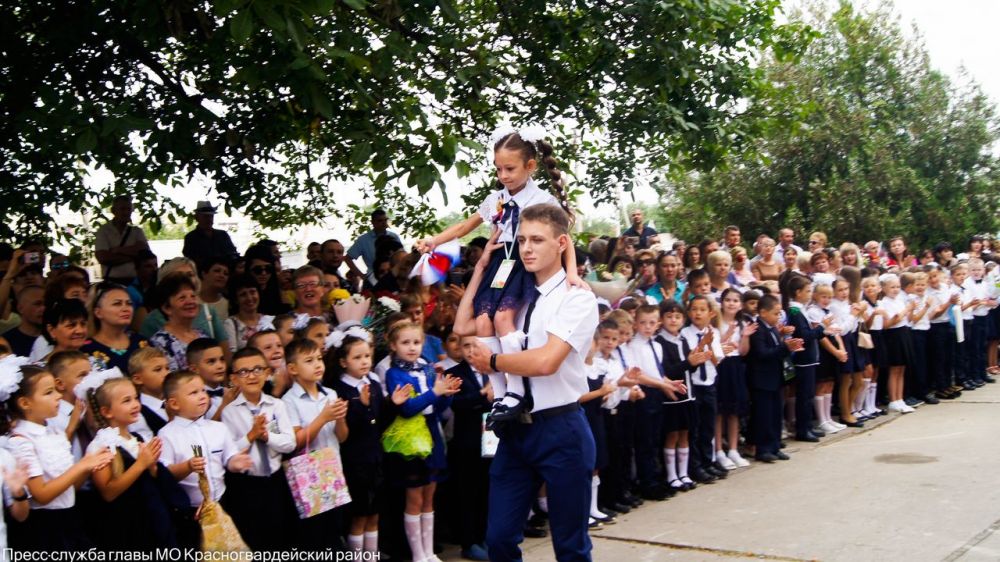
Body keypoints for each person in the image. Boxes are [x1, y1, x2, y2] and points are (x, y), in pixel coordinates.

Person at [462, 204, 599, 562]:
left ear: (561, 243)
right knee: (500, 539)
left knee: (570, 546)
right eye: (522, 240)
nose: (526, 248)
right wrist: (479, 270)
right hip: (514, 432)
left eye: (537, 240)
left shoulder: (578, 297)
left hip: (561, 428)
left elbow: (546, 361)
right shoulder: (514, 298)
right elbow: (464, 327)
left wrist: (491, 361)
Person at [419, 128, 583, 424]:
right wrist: (434, 241)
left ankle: (516, 389)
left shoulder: (542, 199)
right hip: (499, 261)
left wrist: (571, 272)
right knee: (482, 321)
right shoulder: (496, 198)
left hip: (520, 262)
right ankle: (498, 391)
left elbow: (565, 239)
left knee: (502, 319)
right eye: (498, 169)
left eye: (510, 168)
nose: (503, 175)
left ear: (530, 166)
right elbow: (463, 227)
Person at [2, 360, 114, 551]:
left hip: (70, 517)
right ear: (25, 403)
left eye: (55, 389)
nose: (58, 396)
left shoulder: (54, 433)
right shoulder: (21, 441)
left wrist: (91, 462)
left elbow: (69, 487)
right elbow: (41, 495)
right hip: (45, 527)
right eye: (48, 392)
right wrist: (82, 465)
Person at [383, 321, 461, 562]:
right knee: (414, 497)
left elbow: (436, 408)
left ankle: (429, 552)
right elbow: (407, 409)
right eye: (405, 342)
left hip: (431, 433)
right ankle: (418, 554)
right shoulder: (393, 373)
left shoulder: (427, 368)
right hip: (411, 438)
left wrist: (445, 394)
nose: (412, 347)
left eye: (416, 342)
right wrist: (434, 392)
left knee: (430, 494)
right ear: (393, 345)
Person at [85, 377, 190, 549]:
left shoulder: (138, 439)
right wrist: (141, 464)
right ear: (107, 411)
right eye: (127, 401)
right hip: (128, 526)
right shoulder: (102, 444)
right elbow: (108, 492)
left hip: (153, 518)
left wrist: (153, 468)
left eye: (135, 398)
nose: (135, 404)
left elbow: (152, 479)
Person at [158, 370, 252, 547]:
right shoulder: (166, 435)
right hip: (191, 511)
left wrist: (235, 462)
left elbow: (229, 457)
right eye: (193, 393)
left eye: (203, 391)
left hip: (222, 502)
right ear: (174, 403)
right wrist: (187, 466)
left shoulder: (218, 428)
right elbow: (165, 474)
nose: (202, 396)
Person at [219, 348, 298, 551]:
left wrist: (266, 436)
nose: (252, 375)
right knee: (254, 536)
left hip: (276, 479)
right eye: (243, 372)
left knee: (283, 534)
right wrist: (251, 436)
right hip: (247, 484)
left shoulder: (276, 405)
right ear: (234, 379)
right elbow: (229, 453)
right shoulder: (229, 412)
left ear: (267, 373)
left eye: (257, 369)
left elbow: (289, 443)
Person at [281, 338, 349, 549]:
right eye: (309, 360)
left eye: (319, 358)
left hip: (333, 469)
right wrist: (323, 417)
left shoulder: (330, 393)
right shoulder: (288, 401)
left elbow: (342, 437)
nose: (318, 364)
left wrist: (339, 418)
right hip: (309, 474)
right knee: (315, 536)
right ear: (292, 368)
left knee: (335, 529)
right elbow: (295, 442)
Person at [747, 295, 803, 462]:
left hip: (775, 378)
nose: (778, 317)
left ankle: (775, 445)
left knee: (775, 413)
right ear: (763, 312)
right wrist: (784, 348)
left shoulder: (772, 328)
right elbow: (762, 354)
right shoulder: (757, 330)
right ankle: (763, 449)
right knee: (764, 415)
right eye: (775, 313)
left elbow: (777, 350)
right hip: (762, 380)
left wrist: (788, 346)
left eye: (779, 313)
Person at [680, 296, 726, 482]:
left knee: (708, 426)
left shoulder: (713, 332)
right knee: (695, 428)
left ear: (711, 313)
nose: (698, 313)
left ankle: (709, 461)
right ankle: (696, 466)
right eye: (694, 309)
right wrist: (702, 343)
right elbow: (691, 359)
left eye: (702, 310)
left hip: (709, 385)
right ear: (689, 313)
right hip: (694, 385)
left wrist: (708, 343)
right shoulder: (685, 334)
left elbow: (717, 361)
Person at [714, 288, 755, 469]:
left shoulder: (743, 322)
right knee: (719, 411)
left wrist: (744, 335)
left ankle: (733, 449)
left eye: (735, 300)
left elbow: (744, 351)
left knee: (734, 411)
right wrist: (728, 334)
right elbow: (715, 346)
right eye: (728, 300)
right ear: (722, 302)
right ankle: (718, 451)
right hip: (719, 366)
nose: (731, 303)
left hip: (736, 366)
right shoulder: (716, 321)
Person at [81, 283, 148, 372]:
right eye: (117, 304)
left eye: (129, 303)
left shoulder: (142, 343)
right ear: (98, 312)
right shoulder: (86, 349)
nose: (126, 309)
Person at [148, 274, 209, 371]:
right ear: (167, 308)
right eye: (182, 298)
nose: (190, 301)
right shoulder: (159, 343)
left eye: (193, 296)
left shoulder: (203, 336)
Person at [94, 195, 150, 285]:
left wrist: (118, 250)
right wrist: (132, 256)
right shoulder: (103, 231)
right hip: (111, 282)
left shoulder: (137, 231)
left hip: (135, 282)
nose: (126, 212)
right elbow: (103, 258)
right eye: (123, 209)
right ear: (113, 211)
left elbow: (144, 253)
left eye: (129, 209)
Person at [346, 209, 403, 286]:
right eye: (380, 220)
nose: (384, 223)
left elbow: (402, 257)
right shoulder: (363, 240)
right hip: (372, 279)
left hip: (394, 276)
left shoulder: (394, 236)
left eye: (385, 220)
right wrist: (361, 275)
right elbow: (347, 258)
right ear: (372, 222)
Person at [127, 347, 171, 440]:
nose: (166, 373)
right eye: (158, 369)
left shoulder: (178, 399)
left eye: (167, 368)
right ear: (138, 379)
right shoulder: (138, 415)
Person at [224, 275, 275, 353]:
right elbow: (231, 355)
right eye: (243, 294)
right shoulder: (230, 324)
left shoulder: (270, 320)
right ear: (236, 300)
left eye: (252, 292)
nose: (249, 298)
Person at [2, 285, 44, 357]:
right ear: (20, 308)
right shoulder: (6, 341)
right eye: (37, 304)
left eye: (47, 304)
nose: (43, 308)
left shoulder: (56, 337)